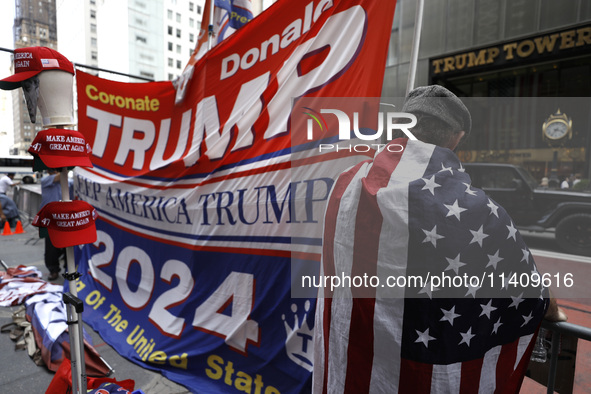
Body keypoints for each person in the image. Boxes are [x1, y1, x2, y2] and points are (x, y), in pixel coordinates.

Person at [313, 85, 566, 394]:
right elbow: (527, 287)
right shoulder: (475, 209)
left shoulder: (344, 184)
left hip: (350, 368)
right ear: (456, 138)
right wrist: (553, 310)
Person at [40, 168, 65, 281]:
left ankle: (68, 268)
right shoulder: (45, 180)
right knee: (51, 246)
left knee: (67, 245)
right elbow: (60, 176)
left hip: (64, 217)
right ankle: (53, 270)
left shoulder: (65, 182)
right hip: (50, 218)